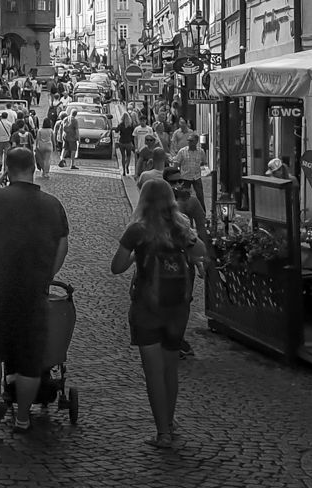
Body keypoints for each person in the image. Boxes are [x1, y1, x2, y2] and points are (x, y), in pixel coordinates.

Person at [0, 147, 70, 435]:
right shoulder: (52, 204)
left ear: (6, 168)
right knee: (30, 353)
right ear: (33, 168)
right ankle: (22, 417)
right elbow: (62, 245)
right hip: (33, 287)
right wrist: (48, 274)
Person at [112, 177, 208, 448]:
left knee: (153, 373)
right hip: (177, 308)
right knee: (170, 370)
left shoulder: (137, 230)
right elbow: (200, 251)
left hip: (147, 307)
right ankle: (170, 422)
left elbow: (116, 267)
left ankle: (162, 433)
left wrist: (134, 255)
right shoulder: (181, 227)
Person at [174, 132, 207, 214]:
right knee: (184, 197)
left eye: (191, 141)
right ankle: (184, 213)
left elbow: (204, 162)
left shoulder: (201, 151)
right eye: (188, 140)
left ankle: (203, 213)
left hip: (196, 177)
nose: (189, 142)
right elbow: (176, 163)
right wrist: (177, 176)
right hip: (185, 177)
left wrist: (201, 169)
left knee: (200, 196)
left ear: (196, 141)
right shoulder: (182, 151)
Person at [33, 116, 56, 180]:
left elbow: (37, 139)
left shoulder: (40, 130)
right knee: (47, 160)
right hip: (49, 145)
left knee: (41, 159)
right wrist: (54, 146)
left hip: (41, 146)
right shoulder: (51, 130)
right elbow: (53, 139)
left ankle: (43, 170)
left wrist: (36, 146)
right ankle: (46, 172)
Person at [118, 111, 138, 176]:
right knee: (129, 156)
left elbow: (116, 130)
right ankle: (127, 166)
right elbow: (133, 135)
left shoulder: (120, 125)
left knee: (123, 156)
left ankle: (123, 170)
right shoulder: (130, 126)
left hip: (121, 142)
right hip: (128, 142)